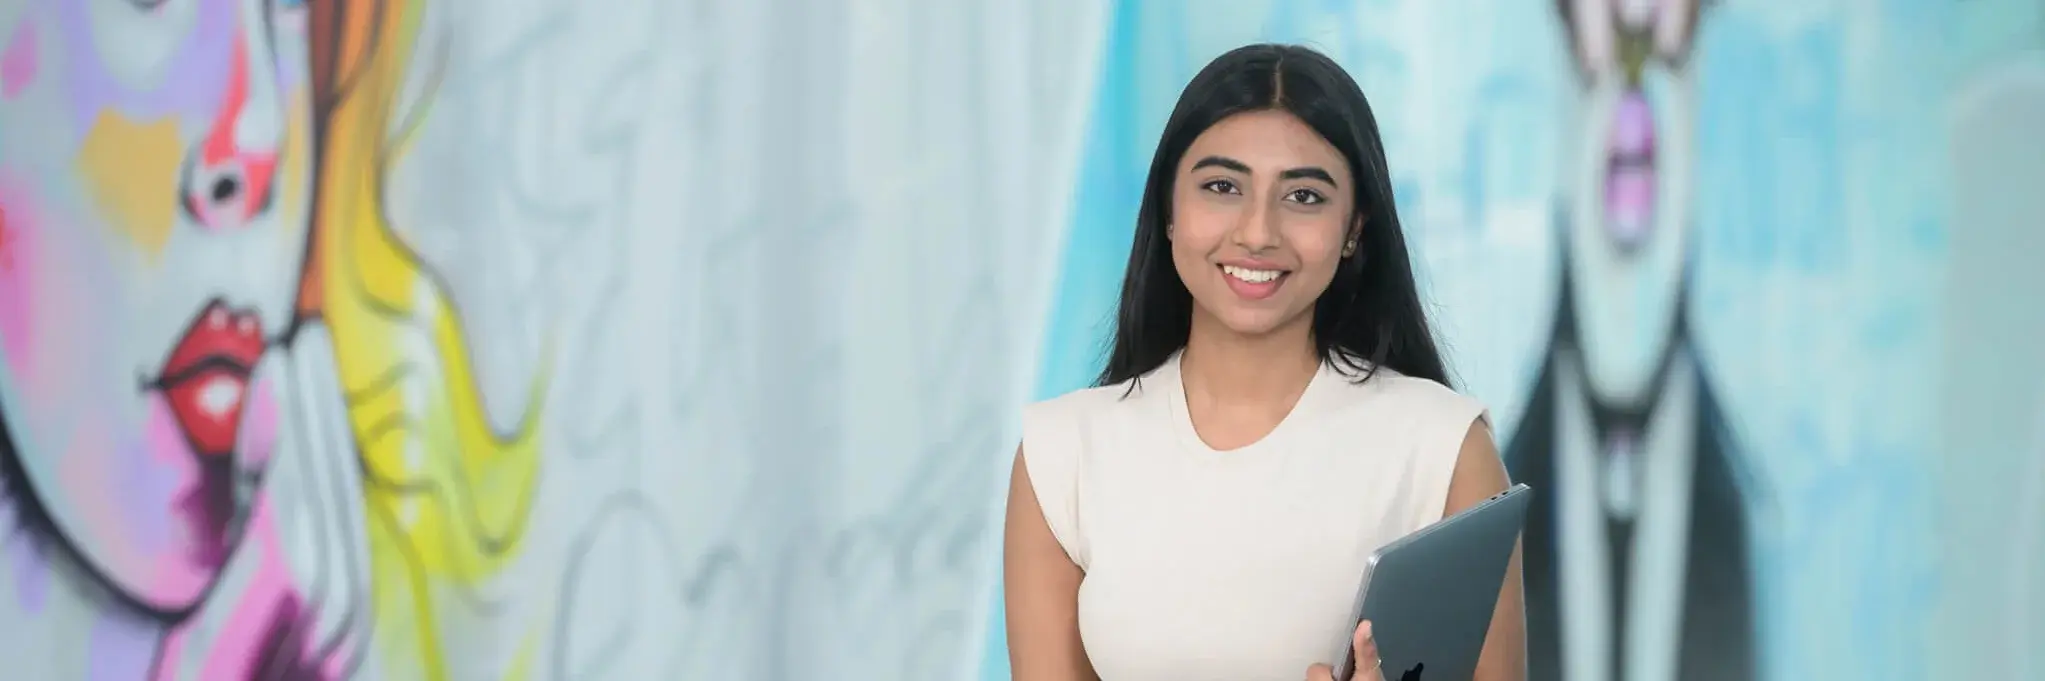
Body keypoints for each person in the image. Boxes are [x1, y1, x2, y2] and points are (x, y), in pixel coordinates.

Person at [1002, 44, 1527, 681]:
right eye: (1222, 187)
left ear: (1354, 226)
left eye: (1304, 196)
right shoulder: (1064, 457)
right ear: (1169, 209)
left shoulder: (1444, 452)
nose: (1257, 232)